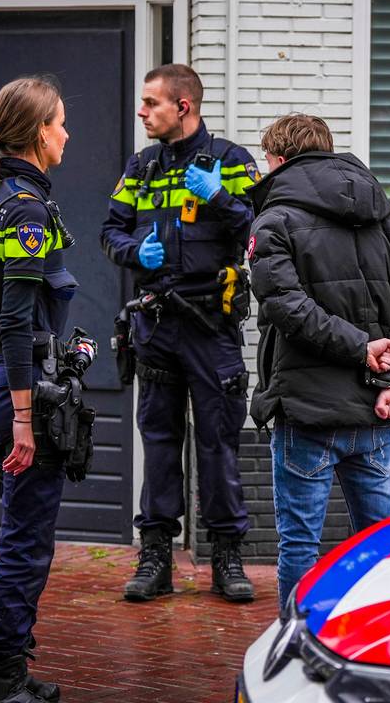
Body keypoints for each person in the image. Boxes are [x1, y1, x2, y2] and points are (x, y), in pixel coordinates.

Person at [247, 114, 390, 607]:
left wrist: (360, 349)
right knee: (378, 543)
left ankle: (295, 648)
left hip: (307, 410)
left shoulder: (273, 219)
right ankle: (374, 637)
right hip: (377, 409)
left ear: (281, 159)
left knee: (300, 546)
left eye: (268, 161)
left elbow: (284, 305)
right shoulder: (387, 217)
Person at [100, 64, 258, 603]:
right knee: (161, 444)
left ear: (182, 107)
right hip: (156, 324)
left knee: (218, 444)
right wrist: (130, 252)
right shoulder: (141, 166)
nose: (142, 112)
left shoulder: (232, 162)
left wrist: (219, 198)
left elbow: (261, 232)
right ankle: (155, 559)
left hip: (211, 325)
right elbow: (110, 231)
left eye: (151, 103)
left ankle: (227, 559)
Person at [0, 76, 73, 703]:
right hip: (12, 385)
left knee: (19, 533)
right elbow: (16, 319)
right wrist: (21, 418)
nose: (66, 133)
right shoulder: (26, 209)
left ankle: (12, 671)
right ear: (36, 134)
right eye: (59, 123)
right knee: (25, 542)